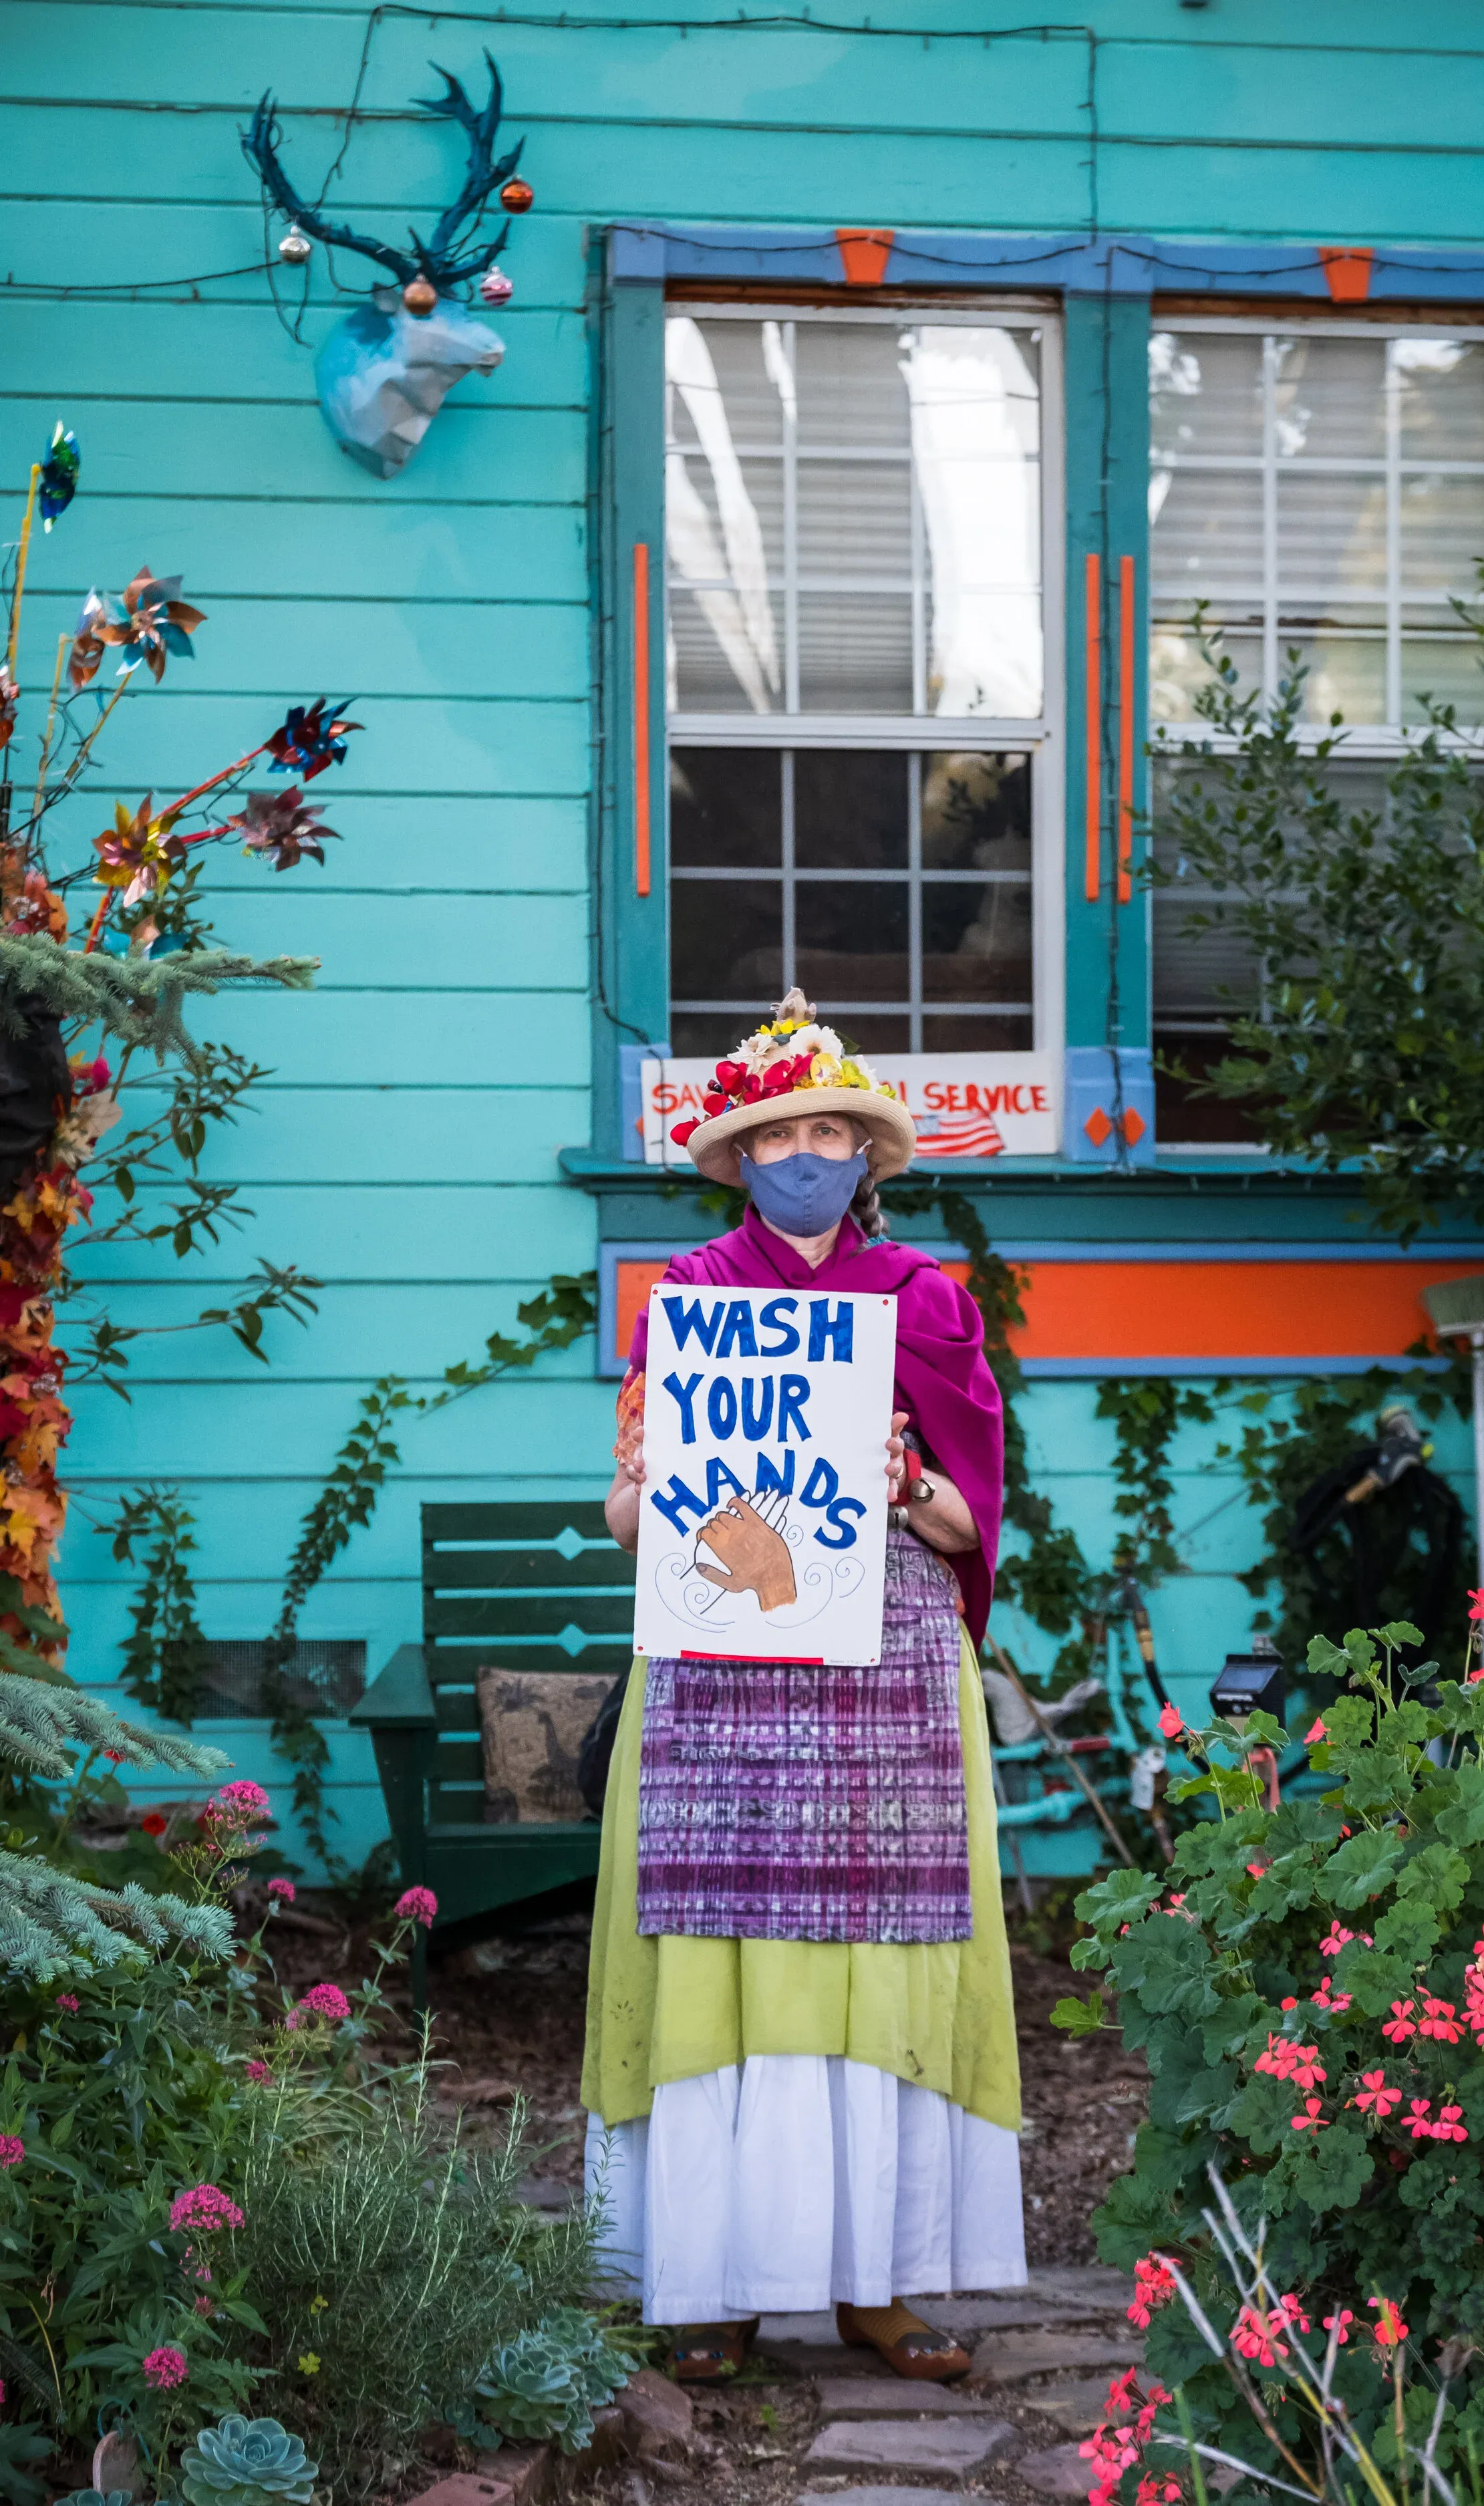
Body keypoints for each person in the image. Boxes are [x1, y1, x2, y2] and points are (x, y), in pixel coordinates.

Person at [582, 992, 1024, 2382]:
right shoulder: (696, 1302)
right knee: (716, 1955)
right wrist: (643, 1485)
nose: (807, 1152)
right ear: (743, 1153)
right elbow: (627, 1520)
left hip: (887, 1662)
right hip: (723, 1664)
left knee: (877, 1965)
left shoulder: (928, 1305)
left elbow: (974, 1523)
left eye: (831, 1130)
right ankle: (710, 2283)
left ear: (868, 1158)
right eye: (782, 1131)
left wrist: (908, 1489)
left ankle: (875, 2285)